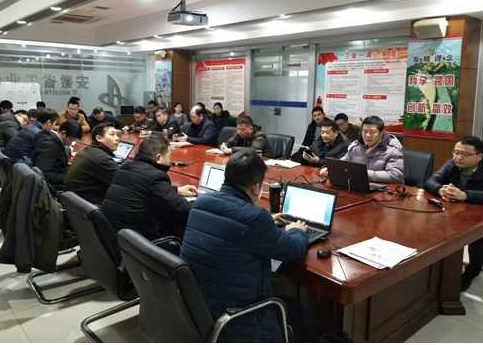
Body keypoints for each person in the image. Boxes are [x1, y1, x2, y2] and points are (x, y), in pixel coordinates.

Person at [180, 150, 309, 342]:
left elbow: (231, 225)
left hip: (198, 306)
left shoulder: (201, 202)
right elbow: (293, 249)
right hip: (238, 320)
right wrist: (297, 230)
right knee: (296, 311)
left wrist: (265, 222)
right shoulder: (254, 218)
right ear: (256, 188)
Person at [101, 133, 197, 239]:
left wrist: (175, 190)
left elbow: (142, 188)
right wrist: (204, 203)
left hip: (109, 233)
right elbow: (183, 209)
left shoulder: (125, 167)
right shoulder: (156, 177)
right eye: (169, 155)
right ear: (158, 158)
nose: (171, 160)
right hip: (138, 242)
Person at [425, 136, 483, 291]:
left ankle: (471, 273)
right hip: (455, 212)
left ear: (479, 156)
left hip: (478, 216)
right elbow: (430, 181)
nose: (458, 157)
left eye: (465, 154)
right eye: (456, 152)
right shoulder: (451, 164)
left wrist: (465, 195)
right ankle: (436, 270)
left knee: (478, 242)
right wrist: (440, 190)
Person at [320, 115, 403, 183]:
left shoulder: (393, 150)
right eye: (365, 131)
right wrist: (331, 169)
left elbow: (395, 176)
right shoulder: (356, 147)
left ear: (381, 133)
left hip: (382, 192)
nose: (368, 135)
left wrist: (363, 173)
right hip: (358, 187)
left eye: (372, 132)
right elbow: (343, 162)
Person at [64, 123, 121, 204]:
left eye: (117, 135)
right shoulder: (101, 158)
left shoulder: (88, 150)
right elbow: (123, 182)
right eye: (112, 134)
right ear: (99, 138)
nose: (117, 138)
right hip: (88, 205)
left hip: (74, 202)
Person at [32, 120, 77, 192]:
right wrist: (67, 178)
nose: (71, 143)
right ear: (63, 133)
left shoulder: (51, 138)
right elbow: (44, 174)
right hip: (51, 187)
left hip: (57, 175)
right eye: (71, 140)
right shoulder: (50, 146)